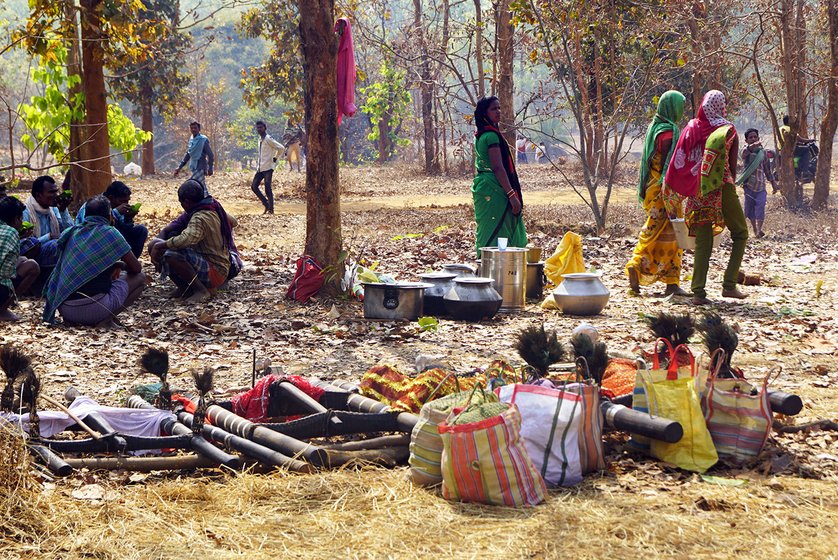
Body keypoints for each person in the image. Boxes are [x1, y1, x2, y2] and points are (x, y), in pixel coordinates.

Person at [664, 90, 748, 306]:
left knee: (703, 241)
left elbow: (679, 158)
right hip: (721, 187)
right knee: (740, 233)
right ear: (721, 106)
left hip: (697, 189)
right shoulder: (727, 129)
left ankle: (698, 293)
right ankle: (729, 285)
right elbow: (731, 165)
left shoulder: (691, 127)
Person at [42, 196, 146, 326]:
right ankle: (106, 320)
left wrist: (116, 264)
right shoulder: (110, 232)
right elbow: (136, 268)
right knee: (140, 278)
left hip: (65, 308)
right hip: (94, 309)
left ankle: (87, 319)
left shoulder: (72, 232)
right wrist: (122, 265)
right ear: (109, 215)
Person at [625, 90, 689, 297]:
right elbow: (669, 166)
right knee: (670, 234)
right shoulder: (669, 132)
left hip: (652, 187)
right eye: (680, 106)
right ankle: (660, 277)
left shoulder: (654, 128)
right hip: (666, 191)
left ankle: (651, 272)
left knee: (657, 231)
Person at [148, 180, 239, 303]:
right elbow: (234, 221)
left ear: (186, 202)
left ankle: (201, 290)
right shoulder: (213, 207)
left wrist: (160, 245)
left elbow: (185, 239)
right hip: (218, 263)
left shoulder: (200, 217)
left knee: (171, 255)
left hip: (216, 269)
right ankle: (185, 288)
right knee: (169, 240)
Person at [471, 96, 526, 257]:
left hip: (484, 185)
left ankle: (487, 264)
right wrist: (511, 194)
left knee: (489, 228)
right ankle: (498, 267)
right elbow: (497, 167)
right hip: (494, 188)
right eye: (493, 109)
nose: (498, 112)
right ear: (484, 113)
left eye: (499, 108)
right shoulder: (491, 136)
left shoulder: (481, 135)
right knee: (499, 228)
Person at [76, 181, 148, 258]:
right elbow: (94, 229)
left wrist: (128, 218)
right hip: (92, 242)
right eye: (122, 201)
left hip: (113, 239)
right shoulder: (93, 205)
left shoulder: (119, 207)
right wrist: (115, 213)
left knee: (141, 230)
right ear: (110, 198)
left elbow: (123, 230)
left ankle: (129, 264)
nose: (126, 204)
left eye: (127, 201)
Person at [20, 175, 72, 271]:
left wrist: (63, 211)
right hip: (33, 257)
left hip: (52, 254)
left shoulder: (54, 209)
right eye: (51, 192)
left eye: (56, 191)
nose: (56, 195)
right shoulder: (25, 211)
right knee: (55, 244)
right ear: (38, 195)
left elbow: (71, 231)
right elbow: (23, 245)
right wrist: (48, 236)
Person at [737, 128, 778, 238]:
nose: (753, 139)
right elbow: (745, 153)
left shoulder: (763, 152)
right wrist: (753, 146)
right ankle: (754, 229)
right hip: (748, 186)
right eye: (751, 137)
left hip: (761, 186)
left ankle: (759, 230)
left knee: (760, 206)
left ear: (759, 138)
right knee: (749, 209)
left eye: (755, 137)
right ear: (746, 140)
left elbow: (767, 169)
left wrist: (773, 183)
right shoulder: (746, 151)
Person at [251, 121, 284, 214]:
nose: (259, 129)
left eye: (261, 127)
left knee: (267, 188)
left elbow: (281, 148)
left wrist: (275, 158)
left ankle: (271, 209)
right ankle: (266, 204)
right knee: (254, 186)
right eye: (257, 128)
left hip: (268, 167)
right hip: (261, 167)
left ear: (265, 128)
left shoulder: (268, 139)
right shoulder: (260, 139)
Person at [174, 122, 214, 186]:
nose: (193, 129)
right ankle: (206, 196)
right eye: (191, 128)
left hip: (200, 167)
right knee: (200, 186)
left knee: (193, 185)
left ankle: (205, 195)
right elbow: (188, 154)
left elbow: (210, 155)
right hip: (193, 166)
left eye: (195, 128)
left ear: (199, 129)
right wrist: (179, 167)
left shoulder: (203, 140)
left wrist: (210, 167)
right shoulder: (192, 139)